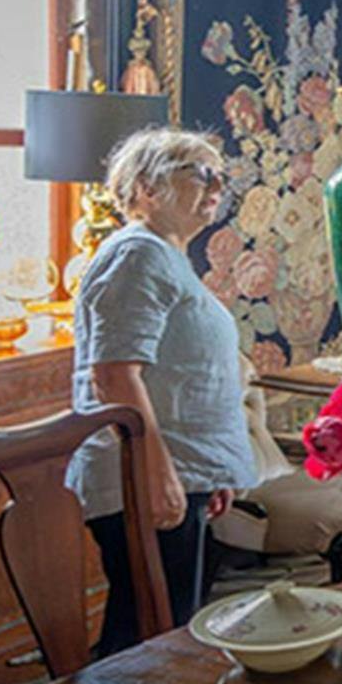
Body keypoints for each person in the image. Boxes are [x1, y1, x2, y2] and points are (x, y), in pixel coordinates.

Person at [69, 127, 257, 654]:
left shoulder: (166, 256)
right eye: (199, 173)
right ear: (147, 188)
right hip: (140, 474)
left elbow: (181, 375)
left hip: (178, 469)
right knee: (147, 635)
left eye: (221, 175)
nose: (216, 185)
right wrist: (156, 472)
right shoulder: (137, 255)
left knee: (170, 624)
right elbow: (114, 375)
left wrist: (206, 471)